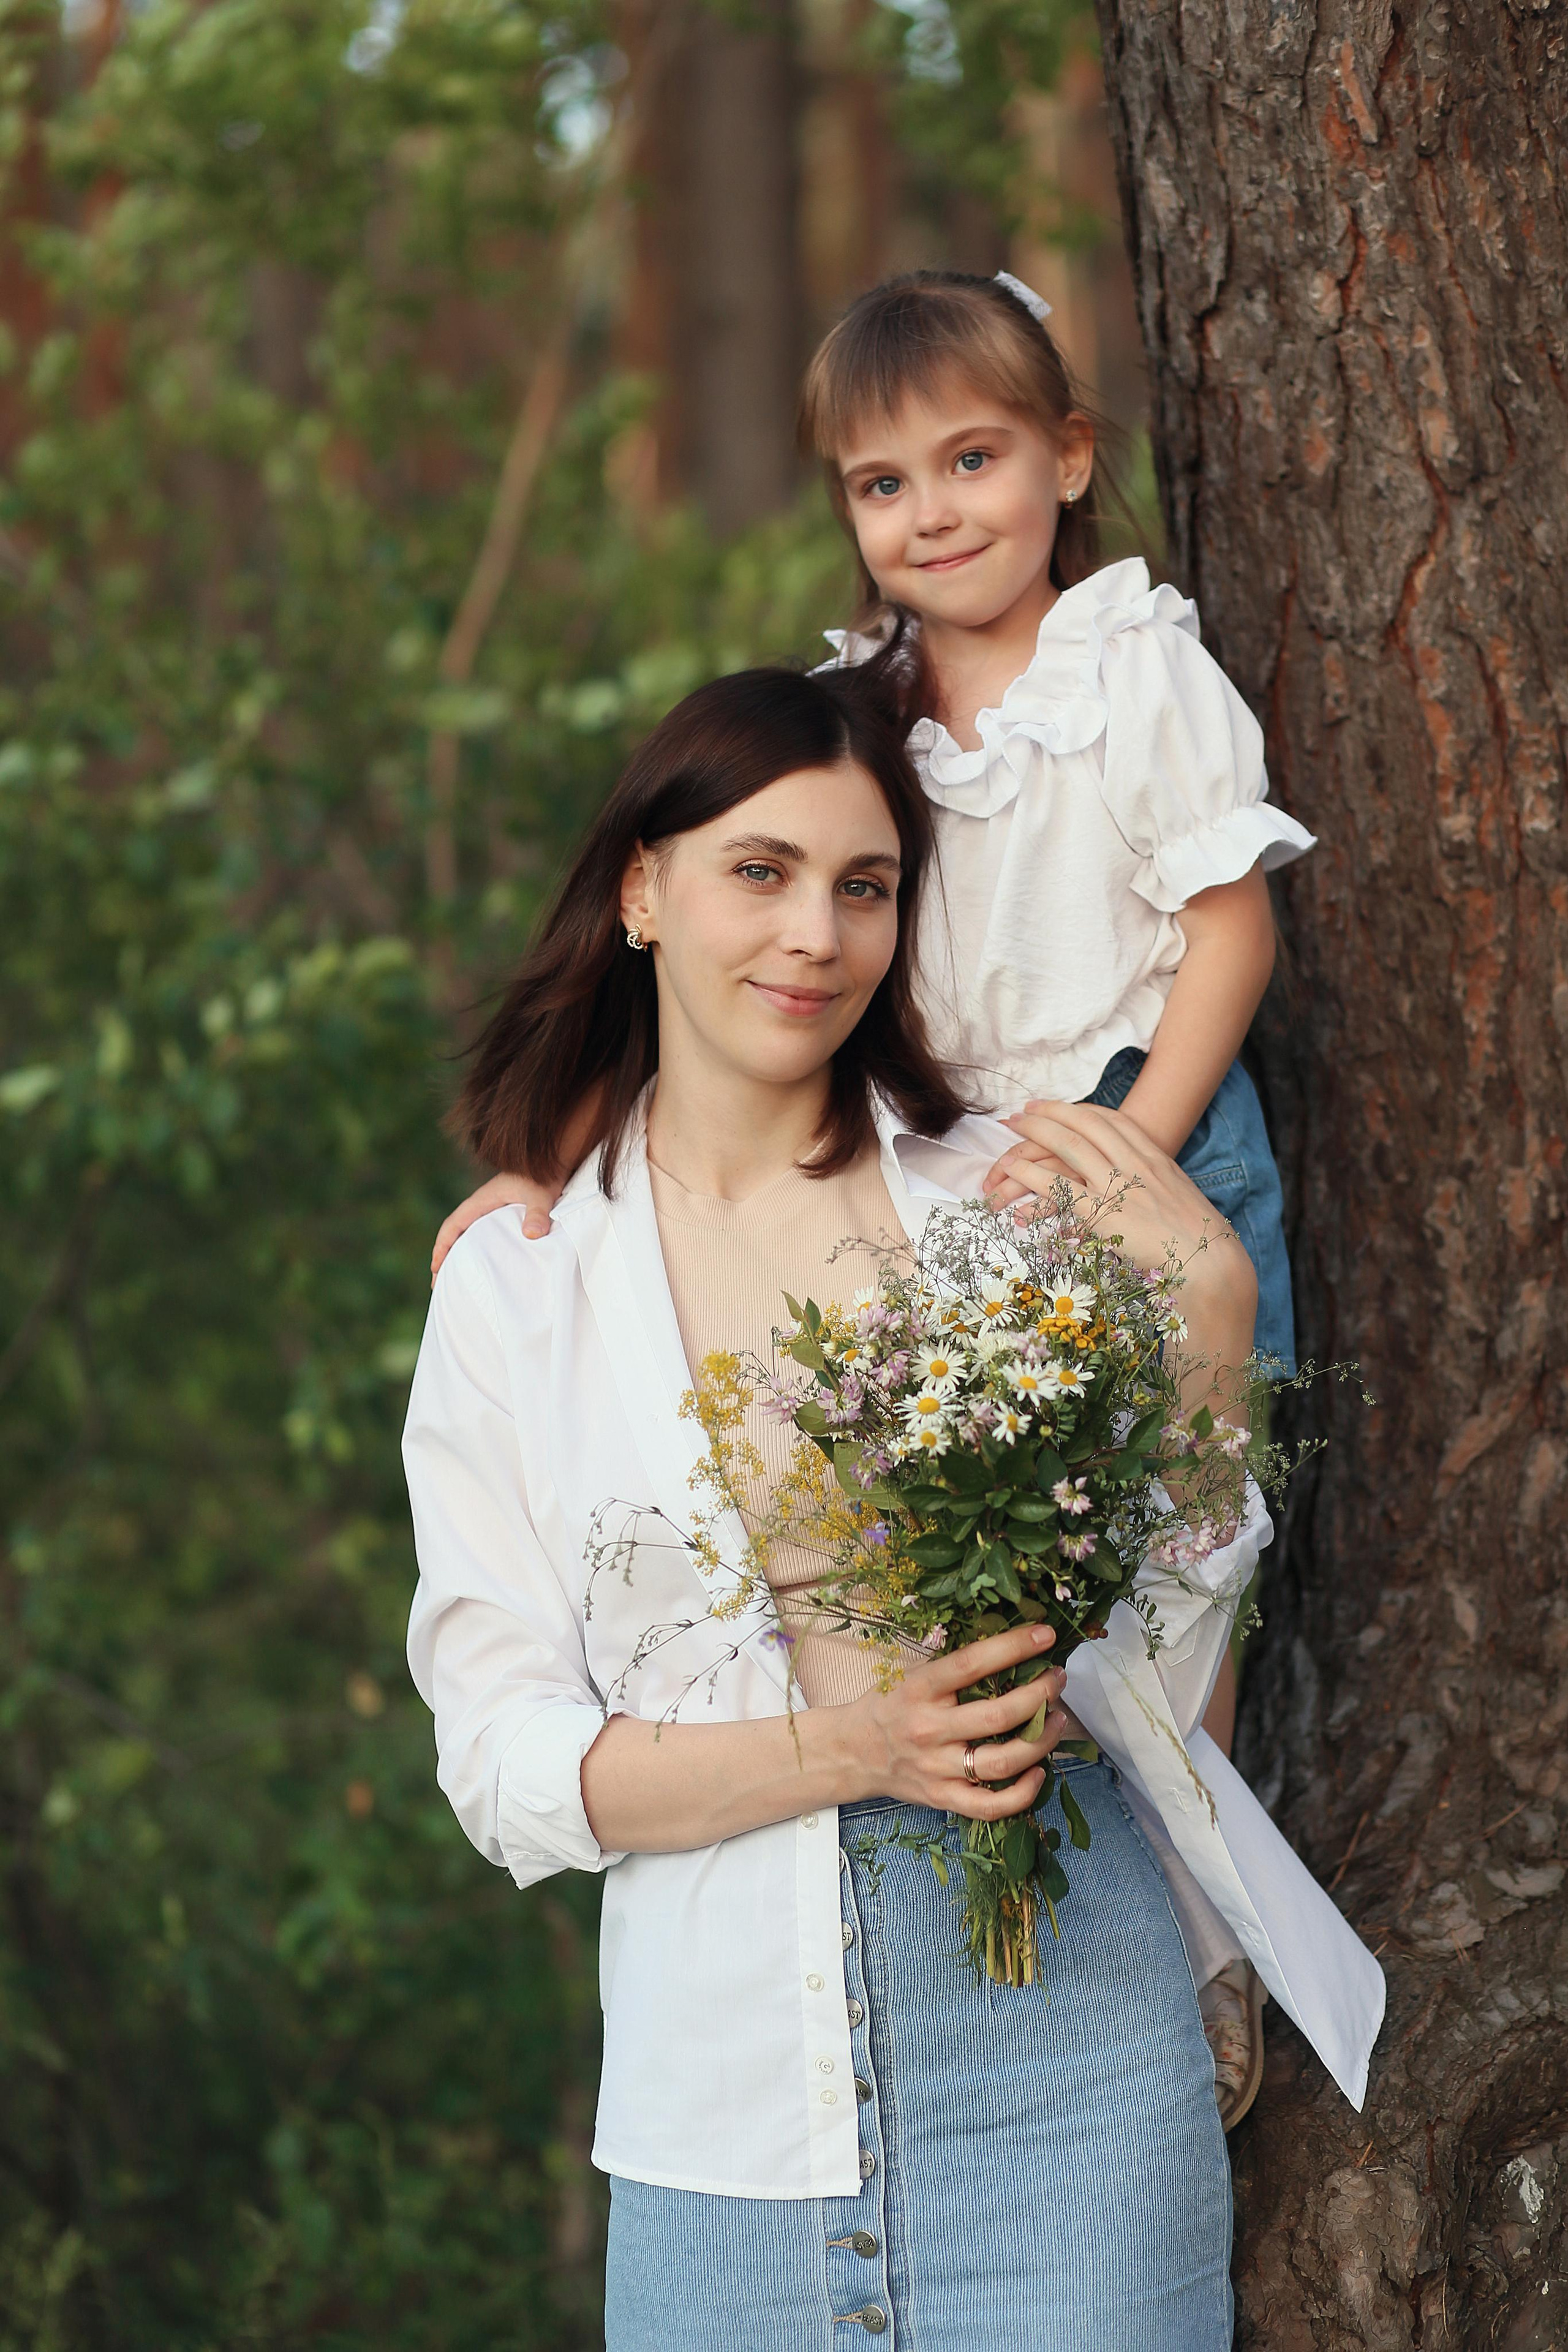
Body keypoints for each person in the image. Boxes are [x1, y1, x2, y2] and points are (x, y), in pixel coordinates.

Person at [402, 665, 1384, 2350]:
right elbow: (501, 1770)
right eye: (760, 872)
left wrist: (1214, 1345)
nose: (816, 934)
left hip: (1070, 2070)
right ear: (643, 889)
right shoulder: (525, 1284)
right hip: (723, 2131)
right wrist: (859, 1750)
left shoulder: (998, 1205)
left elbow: (1148, 1681)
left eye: (865, 887)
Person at [427, 270, 1316, 2115]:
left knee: (1185, 1547)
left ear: (1072, 459)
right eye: (883, 484)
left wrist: (1142, 1142)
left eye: (976, 460)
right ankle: (969, 1922)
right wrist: (550, 1168)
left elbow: (1229, 926)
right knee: (976, 1553)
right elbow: (732, 956)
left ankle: (1202, 1926)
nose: (933, 514)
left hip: (1140, 1116)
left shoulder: (1132, 662)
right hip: (959, 1141)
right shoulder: (862, 702)